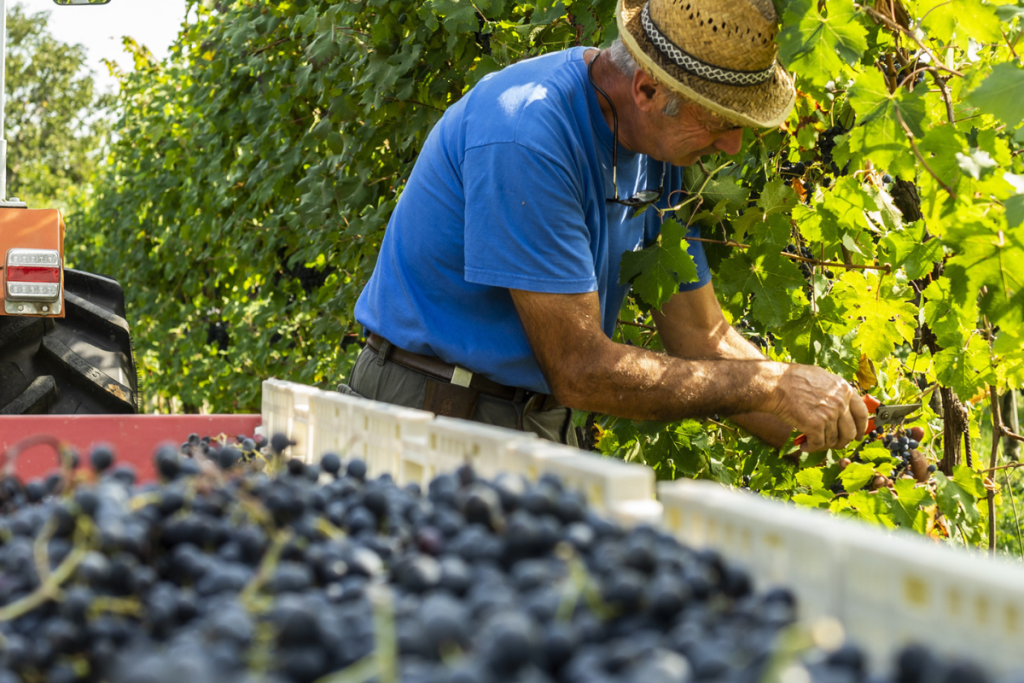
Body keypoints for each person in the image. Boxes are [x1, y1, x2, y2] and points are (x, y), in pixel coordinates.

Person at [346, 0, 869, 452]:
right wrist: (771, 386)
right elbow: (580, 369)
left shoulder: (659, 149)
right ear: (645, 89)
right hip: (426, 417)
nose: (732, 145)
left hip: (530, 426)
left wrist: (849, 437)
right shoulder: (527, 135)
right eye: (719, 121)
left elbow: (704, 336)